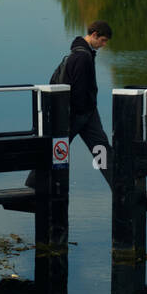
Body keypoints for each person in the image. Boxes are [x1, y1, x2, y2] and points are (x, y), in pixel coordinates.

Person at [26, 21, 114, 191]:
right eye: (102, 40)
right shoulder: (82, 57)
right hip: (79, 114)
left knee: (99, 148)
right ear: (94, 34)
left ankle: (118, 185)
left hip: (83, 113)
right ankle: (33, 186)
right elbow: (79, 89)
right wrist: (83, 112)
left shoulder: (82, 53)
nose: (103, 45)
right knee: (61, 148)